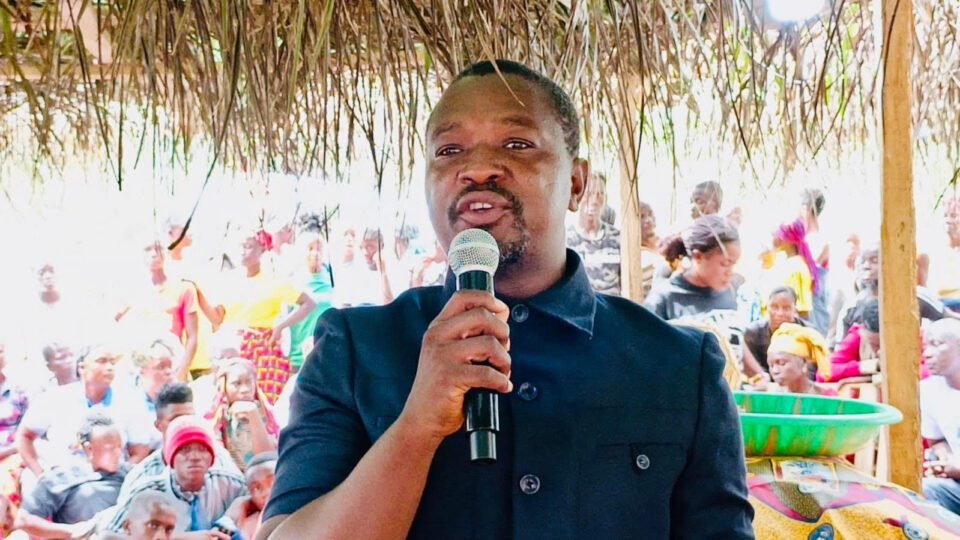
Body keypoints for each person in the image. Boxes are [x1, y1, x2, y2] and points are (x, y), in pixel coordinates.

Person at [258, 60, 753, 539]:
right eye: (449, 150)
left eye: (517, 144)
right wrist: (416, 427)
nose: (477, 169)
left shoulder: (681, 367)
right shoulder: (352, 350)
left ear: (576, 183)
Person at [205, 228, 317, 403]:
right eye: (241, 246)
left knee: (263, 399)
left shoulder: (273, 281)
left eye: (249, 246)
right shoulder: (229, 281)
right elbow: (217, 318)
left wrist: (281, 326)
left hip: (262, 348)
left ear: (262, 250)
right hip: (233, 349)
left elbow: (309, 303)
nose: (243, 251)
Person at [16, 343, 152, 478]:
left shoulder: (129, 402)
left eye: (112, 362)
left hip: (110, 481)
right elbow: (24, 436)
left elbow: (140, 451)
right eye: (102, 361)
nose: (110, 367)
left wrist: (119, 477)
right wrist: (41, 474)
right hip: (63, 482)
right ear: (81, 367)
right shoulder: (54, 399)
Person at [104, 415, 247, 537]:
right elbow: (109, 535)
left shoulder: (228, 483)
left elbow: (255, 497)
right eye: (185, 450)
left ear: (212, 459)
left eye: (202, 449)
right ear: (170, 459)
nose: (195, 457)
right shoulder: (146, 491)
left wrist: (233, 513)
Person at [119, 383, 240, 503]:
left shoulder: (220, 461)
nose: (184, 423)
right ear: (158, 426)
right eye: (176, 419)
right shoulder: (142, 478)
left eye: (189, 417)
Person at [15, 413, 129, 538]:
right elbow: (24, 520)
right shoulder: (62, 478)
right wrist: (73, 531)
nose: (118, 453)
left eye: (119, 447)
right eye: (111, 448)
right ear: (89, 449)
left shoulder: (130, 474)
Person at [115, 239, 199, 380]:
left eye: (158, 248)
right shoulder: (134, 291)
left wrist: (180, 373)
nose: (154, 254)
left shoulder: (184, 289)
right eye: (148, 249)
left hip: (172, 366)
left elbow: (193, 337)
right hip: (142, 371)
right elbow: (113, 322)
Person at [644, 215, 741, 320]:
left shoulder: (736, 291)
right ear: (698, 257)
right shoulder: (663, 301)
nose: (730, 272)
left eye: (734, 263)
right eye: (725, 264)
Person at [204, 359, 279, 471]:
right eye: (236, 384)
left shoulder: (265, 413)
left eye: (249, 382)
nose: (245, 390)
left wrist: (253, 416)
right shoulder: (217, 418)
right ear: (224, 386)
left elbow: (266, 458)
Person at [919, 319, 960, 516]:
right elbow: (936, 440)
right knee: (923, 490)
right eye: (925, 346)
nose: (927, 353)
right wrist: (945, 458)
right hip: (956, 487)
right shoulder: (928, 391)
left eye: (937, 344)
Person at [286, 214, 335, 373]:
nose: (315, 253)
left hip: (326, 355)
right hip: (298, 358)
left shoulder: (332, 278)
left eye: (319, 248)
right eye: (310, 248)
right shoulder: (293, 281)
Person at [566, 172, 621, 296]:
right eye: (589, 194)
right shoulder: (566, 240)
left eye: (600, 194)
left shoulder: (617, 238)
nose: (595, 200)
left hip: (611, 305)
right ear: (578, 196)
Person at [744, 287, 809, 372]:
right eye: (774, 307)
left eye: (786, 308)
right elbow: (750, 368)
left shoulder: (808, 332)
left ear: (795, 310)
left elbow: (812, 370)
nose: (780, 313)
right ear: (767, 308)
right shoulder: (753, 333)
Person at [765, 218, 818, 323]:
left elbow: (802, 309)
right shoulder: (783, 262)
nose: (777, 238)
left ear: (789, 240)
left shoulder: (797, 267)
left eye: (780, 235)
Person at [765, 323, 835, 396]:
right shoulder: (770, 397)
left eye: (782, 363)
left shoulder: (825, 397)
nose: (775, 371)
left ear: (804, 362)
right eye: (771, 365)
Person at [234, 452, 277, 540]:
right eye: (256, 488)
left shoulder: (303, 512)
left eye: (272, 482)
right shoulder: (249, 526)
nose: (266, 492)